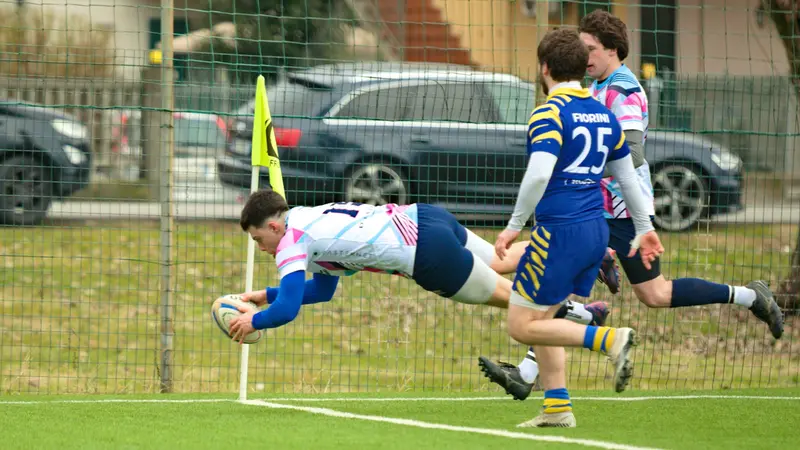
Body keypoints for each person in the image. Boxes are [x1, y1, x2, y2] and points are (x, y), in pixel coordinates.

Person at [479, 9, 784, 404]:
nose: (584, 57)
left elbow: (632, 153)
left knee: (646, 293)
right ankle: (533, 369)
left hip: (617, 209)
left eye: (590, 49)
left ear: (613, 50)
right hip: (595, 208)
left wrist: (575, 167)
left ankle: (746, 296)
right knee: (572, 285)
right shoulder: (592, 89)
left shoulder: (624, 91)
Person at [484, 27, 664, 428]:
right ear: (583, 67)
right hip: (595, 231)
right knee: (544, 318)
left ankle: (608, 340)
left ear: (544, 67)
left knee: (521, 325)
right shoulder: (602, 113)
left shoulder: (549, 112)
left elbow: (537, 175)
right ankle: (557, 408)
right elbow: (629, 176)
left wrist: (513, 226)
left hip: (559, 233)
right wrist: (643, 226)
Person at [227, 193, 610, 342]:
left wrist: (253, 322)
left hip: (425, 253)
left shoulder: (290, 244)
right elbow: (322, 291)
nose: (262, 249)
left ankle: (581, 316)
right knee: (501, 261)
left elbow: (289, 309)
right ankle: (587, 251)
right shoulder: (306, 220)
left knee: (509, 300)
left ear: (275, 227)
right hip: (426, 218)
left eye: (259, 239)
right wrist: (265, 296)